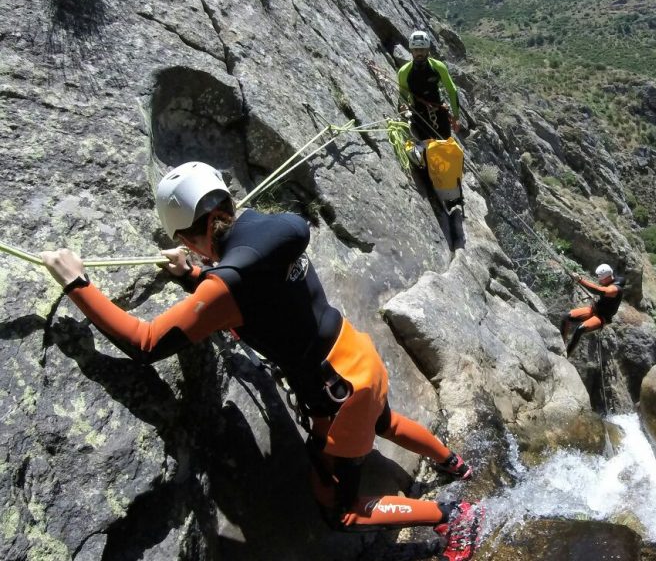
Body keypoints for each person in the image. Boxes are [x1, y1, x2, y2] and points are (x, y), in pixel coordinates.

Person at [40, 162, 482, 560]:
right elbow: (266, 296)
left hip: (338, 395)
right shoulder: (264, 231)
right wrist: (193, 274)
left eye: (186, 242)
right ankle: (454, 464)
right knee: (384, 422)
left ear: (194, 232)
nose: (191, 251)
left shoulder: (229, 282)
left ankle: (449, 514)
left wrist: (78, 283)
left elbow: (147, 342)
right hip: (355, 355)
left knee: (342, 513)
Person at [398, 30, 461, 141]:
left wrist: (456, 117)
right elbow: (402, 93)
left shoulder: (438, 67)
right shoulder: (404, 72)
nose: (419, 53)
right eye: (416, 50)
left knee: (445, 146)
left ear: (427, 50)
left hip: (439, 113)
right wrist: (403, 105)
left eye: (422, 49)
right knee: (428, 149)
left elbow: (452, 90)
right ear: (411, 51)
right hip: (419, 115)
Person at [561, 264, 626, 356]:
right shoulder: (612, 280)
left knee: (579, 329)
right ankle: (561, 344)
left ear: (607, 277)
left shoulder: (614, 289)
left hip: (601, 317)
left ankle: (566, 354)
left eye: (601, 278)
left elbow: (598, 290)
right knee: (566, 317)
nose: (599, 280)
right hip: (594, 309)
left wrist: (580, 280)